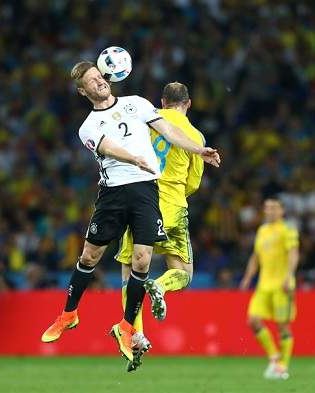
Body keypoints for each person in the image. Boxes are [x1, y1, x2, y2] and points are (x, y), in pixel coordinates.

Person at [40, 61, 220, 363]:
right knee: (89, 256)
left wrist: (198, 149)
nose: (99, 82)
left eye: (100, 76)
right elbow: (109, 148)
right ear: (83, 91)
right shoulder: (87, 126)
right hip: (113, 194)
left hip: (147, 192)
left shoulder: (136, 104)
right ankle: (68, 313)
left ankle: (128, 328)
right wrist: (135, 158)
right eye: (92, 81)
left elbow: (168, 130)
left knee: (141, 260)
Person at [114, 82, 204, 372]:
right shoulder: (194, 136)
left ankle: (135, 333)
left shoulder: (146, 123)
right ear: (188, 104)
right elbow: (193, 183)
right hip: (174, 205)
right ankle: (162, 286)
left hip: (140, 203)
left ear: (162, 102)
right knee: (184, 273)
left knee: (130, 270)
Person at [240, 198, 299, 380]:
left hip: (282, 284)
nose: (270, 211)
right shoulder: (262, 231)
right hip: (264, 285)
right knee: (253, 320)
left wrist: (289, 276)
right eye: (267, 208)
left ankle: (282, 366)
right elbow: (255, 257)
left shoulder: (287, 229)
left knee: (282, 326)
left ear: (282, 210)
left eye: (274, 207)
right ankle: (274, 356)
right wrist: (248, 277)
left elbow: (293, 253)